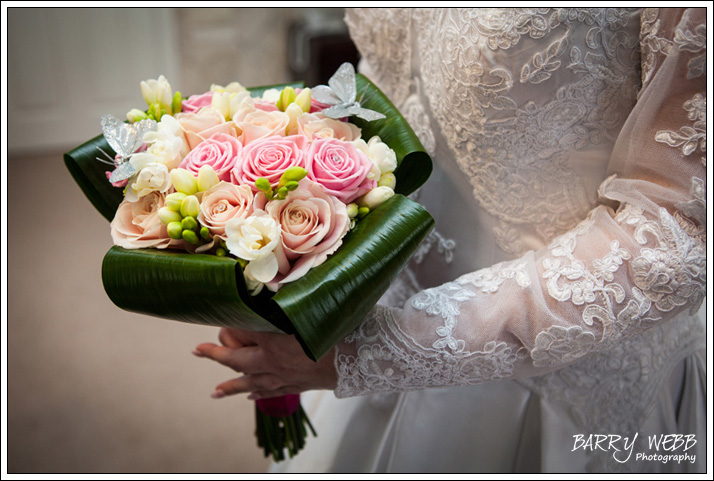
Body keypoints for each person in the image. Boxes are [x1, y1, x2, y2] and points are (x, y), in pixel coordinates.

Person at [193, 8, 707, 473]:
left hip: (557, 372)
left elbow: (676, 229)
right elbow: (389, 75)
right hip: (379, 287)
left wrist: (376, 352)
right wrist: (296, 250)